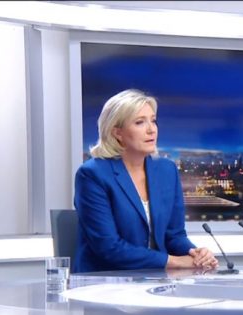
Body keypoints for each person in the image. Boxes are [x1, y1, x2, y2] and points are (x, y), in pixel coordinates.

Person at [73, 89, 219, 273]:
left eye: (153, 120)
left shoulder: (167, 170)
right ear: (117, 132)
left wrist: (194, 254)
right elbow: (109, 247)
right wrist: (174, 261)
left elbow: (174, 236)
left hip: (154, 278)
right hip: (105, 279)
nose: (151, 129)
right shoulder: (92, 174)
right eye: (140, 122)